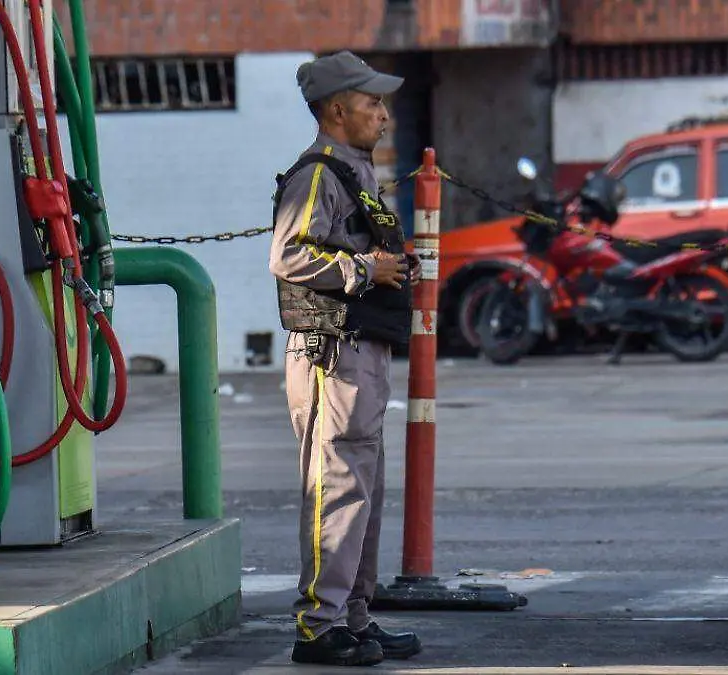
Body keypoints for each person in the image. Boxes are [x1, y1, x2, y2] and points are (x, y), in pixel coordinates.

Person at [267, 50, 423, 667]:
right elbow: (287, 256)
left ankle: (353, 618)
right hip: (332, 355)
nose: (383, 116)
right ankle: (319, 626)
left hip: (360, 351)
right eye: (371, 104)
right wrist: (365, 269)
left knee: (363, 489)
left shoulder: (354, 172)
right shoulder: (318, 174)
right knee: (336, 487)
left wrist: (389, 266)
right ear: (338, 110)